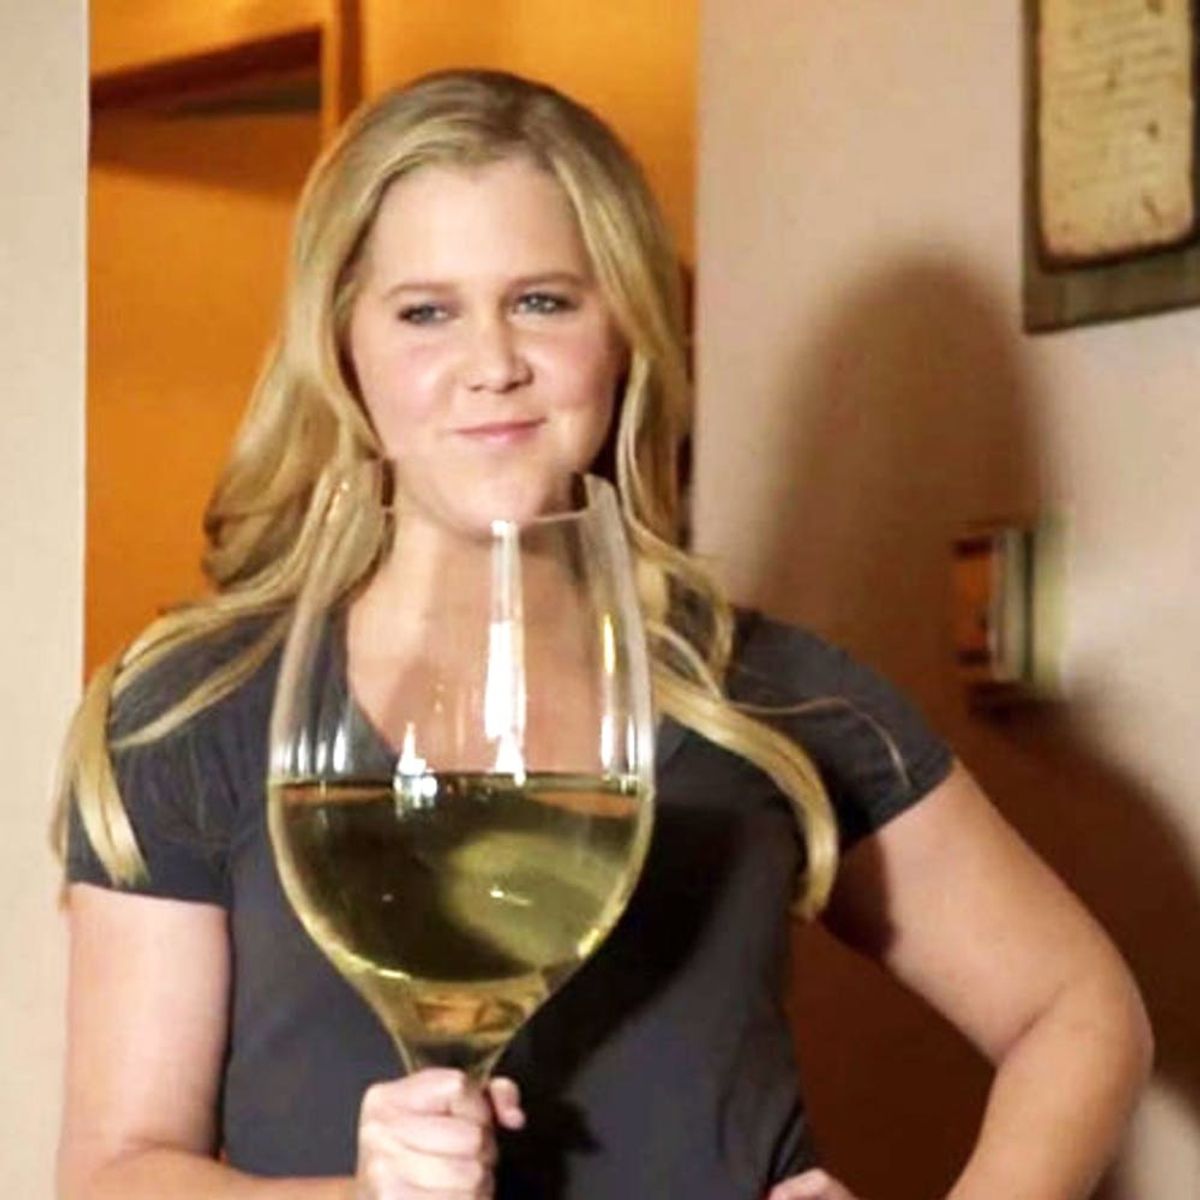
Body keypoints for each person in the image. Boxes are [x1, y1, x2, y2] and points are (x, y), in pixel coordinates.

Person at [55, 69, 1152, 1200]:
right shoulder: (198, 711)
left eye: (543, 301)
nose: (493, 364)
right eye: (426, 312)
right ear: (342, 347)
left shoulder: (765, 693)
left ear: (625, 327)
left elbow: (1078, 1011)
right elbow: (114, 1172)